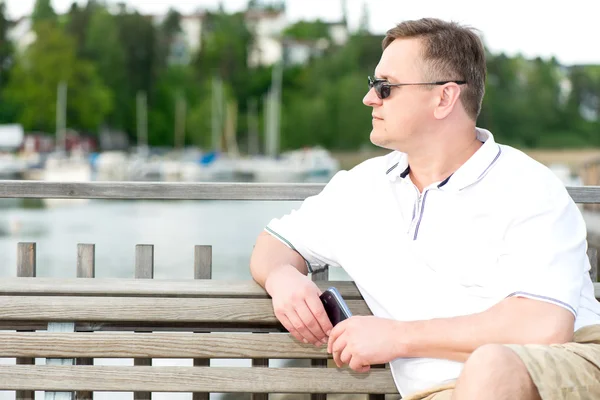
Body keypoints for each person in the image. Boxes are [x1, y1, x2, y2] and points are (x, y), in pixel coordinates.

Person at [249, 18, 600, 400]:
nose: (370, 99)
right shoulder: (359, 190)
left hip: (564, 369)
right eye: (372, 86)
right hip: (440, 393)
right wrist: (282, 278)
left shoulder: (528, 186)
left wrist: (396, 337)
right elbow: (274, 243)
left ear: (445, 97)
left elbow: (543, 328)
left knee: (490, 368)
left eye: (385, 88)